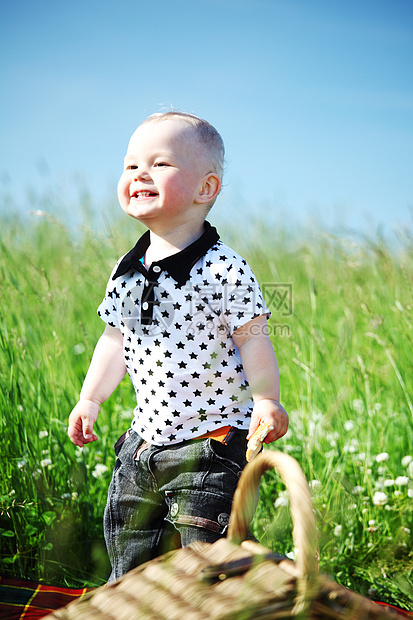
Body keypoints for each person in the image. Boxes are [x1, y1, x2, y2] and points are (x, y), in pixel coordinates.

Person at [68, 111, 289, 581]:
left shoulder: (224, 268)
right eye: (130, 166)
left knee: (206, 560)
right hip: (142, 443)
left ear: (205, 189)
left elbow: (254, 338)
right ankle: (131, 602)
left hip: (210, 445)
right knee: (128, 552)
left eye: (160, 164)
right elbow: (114, 342)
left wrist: (267, 400)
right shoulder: (126, 270)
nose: (139, 174)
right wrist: (91, 399)